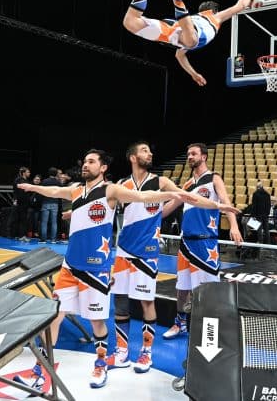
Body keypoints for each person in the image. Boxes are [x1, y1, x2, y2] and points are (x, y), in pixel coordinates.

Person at [16, 148, 203, 389]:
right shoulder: (77, 189)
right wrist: (34, 188)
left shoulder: (114, 189)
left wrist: (180, 195)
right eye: (84, 161)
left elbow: (144, 198)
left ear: (103, 167)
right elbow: (54, 190)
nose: (85, 164)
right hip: (73, 266)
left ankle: (104, 363)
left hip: (105, 267)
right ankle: (40, 371)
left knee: (100, 321)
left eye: (91, 161)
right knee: (55, 317)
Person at [109, 141, 238, 375]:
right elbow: (107, 210)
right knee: (121, 302)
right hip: (125, 249)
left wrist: (224, 209)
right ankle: (122, 349)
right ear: (133, 157)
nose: (151, 152)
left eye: (193, 153)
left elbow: (190, 198)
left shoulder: (163, 182)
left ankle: (148, 351)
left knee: (150, 302)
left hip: (150, 252)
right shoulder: (121, 185)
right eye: (145, 150)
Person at [122, 0, 260, 86]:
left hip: (174, 31)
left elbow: (179, 56)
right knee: (191, 41)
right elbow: (241, 5)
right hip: (186, 32)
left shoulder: (195, 17)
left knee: (130, 22)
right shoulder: (216, 17)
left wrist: (193, 74)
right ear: (213, 10)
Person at [160, 142, 243, 339]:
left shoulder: (214, 178)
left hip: (205, 242)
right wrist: (146, 216)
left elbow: (225, 203)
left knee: (207, 289)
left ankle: (210, 326)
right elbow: (169, 207)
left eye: (193, 154)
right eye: (188, 154)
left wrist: (234, 225)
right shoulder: (187, 185)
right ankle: (180, 324)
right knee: (182, 288)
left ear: (203, 156)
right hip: (185, 243)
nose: (189, 157)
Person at [39, 167, 60, 243]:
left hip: (45, 202)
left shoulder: (44, 181)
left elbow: (40, 191)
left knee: (44, 222)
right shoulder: (58, 182)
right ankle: (53, 239)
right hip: (55, 203)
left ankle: (43, 239)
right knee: (54, 222)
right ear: (56, 174)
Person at [12, 167, 31, 240]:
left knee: (23, 219)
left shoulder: (26, 180)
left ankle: (21, 235)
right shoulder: (18, 180)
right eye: (28, 172)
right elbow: (16, 191)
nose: (29, 173)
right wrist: (15, 200)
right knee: (20, 219)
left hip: (25, 202)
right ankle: (20, 235)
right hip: (20, 202)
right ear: (24, 173)